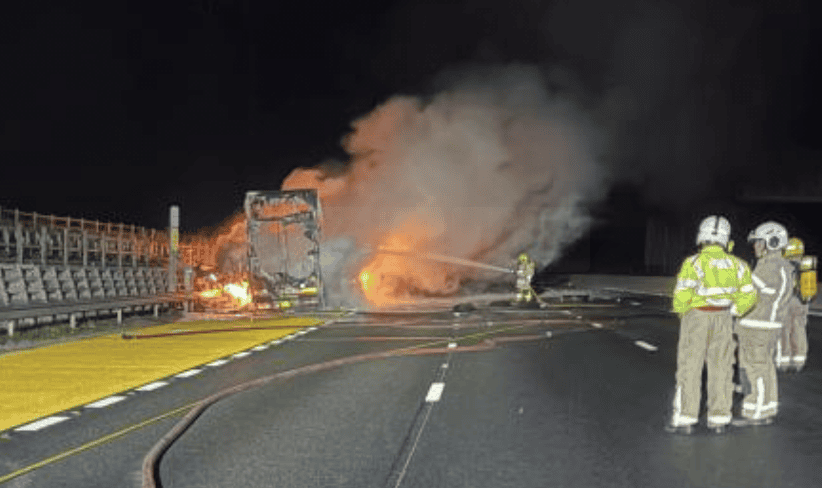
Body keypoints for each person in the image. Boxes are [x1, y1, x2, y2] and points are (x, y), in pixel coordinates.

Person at [667, 216, 757, 435]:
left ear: (702, 236)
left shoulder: (693, 263)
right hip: (725, 318)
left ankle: (685, 419)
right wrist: (734, 312)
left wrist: (685, 316)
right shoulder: (739, 265)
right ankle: (719, 419)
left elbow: (680, 296)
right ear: (726, 240)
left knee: (690, 368)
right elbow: (749, 296)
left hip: (696, 317)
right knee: (722, 369)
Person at [732, 221, 794, 427]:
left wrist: (730, 308)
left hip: (757, 326)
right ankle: (767, 407)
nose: (755, 246)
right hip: (766, 326)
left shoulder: (769, 266)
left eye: (759, 242)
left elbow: (748, 295)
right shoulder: (783, 266)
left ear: (772, 242)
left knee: (755, 368)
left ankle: (755, 413)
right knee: (765, 367)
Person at [777, 237, 814, 372]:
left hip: (787, 301)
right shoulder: (806, 266)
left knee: (784, 332)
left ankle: (784, 362)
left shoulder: (784, 264)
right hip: (802, 302)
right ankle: (799, 361)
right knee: (799, 331)